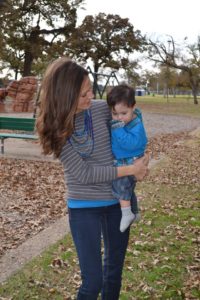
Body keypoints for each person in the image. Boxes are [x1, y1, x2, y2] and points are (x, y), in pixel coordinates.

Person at [36, 57, 149, 299]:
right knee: (93, 282)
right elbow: (84, 174)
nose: (91, 97)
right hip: (83, 207)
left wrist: (139, 159)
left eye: (90, 90)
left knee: (113, 275)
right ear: (64, 96)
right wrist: (130, 170)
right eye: (83, 94)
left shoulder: (101, 110)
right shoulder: (55, 127)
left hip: (117, 203)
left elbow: (132, 120)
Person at [107, 84, 148, 232]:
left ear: (133, 107)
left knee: (121, 185)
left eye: (123, 113)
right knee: (129, 189)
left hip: (130, 161)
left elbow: (131, 144)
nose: (119, 118)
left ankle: (126, 213)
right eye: (115, 114)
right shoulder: (127, 121)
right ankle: (134, 212)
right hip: (125, 159)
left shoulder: (136, 126)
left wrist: (117, 130)